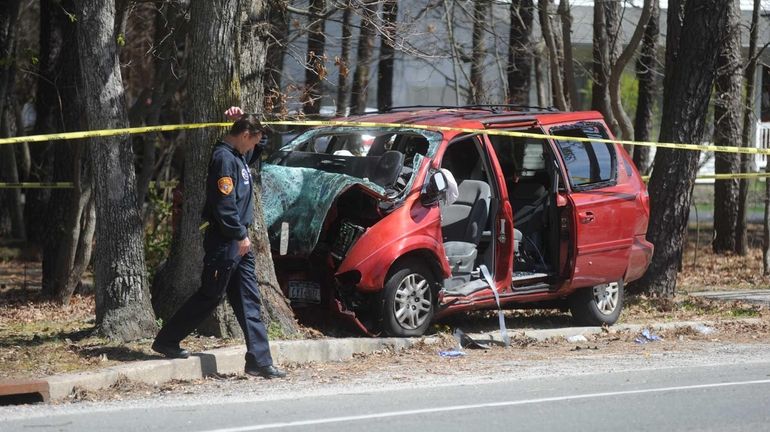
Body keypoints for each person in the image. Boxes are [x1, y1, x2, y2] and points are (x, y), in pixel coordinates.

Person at [152, 107, 286, 379]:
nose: (257, 145)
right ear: (245, 136)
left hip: (240, 242)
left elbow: (267, 141)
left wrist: (242, 114)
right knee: (210, 296)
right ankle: (166, 340)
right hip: (227, 241)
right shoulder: (224, 159)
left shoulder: (240, 155)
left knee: (249, 300)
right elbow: (224, 205)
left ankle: (259, 360)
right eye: (254, 139)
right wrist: (239, 235)